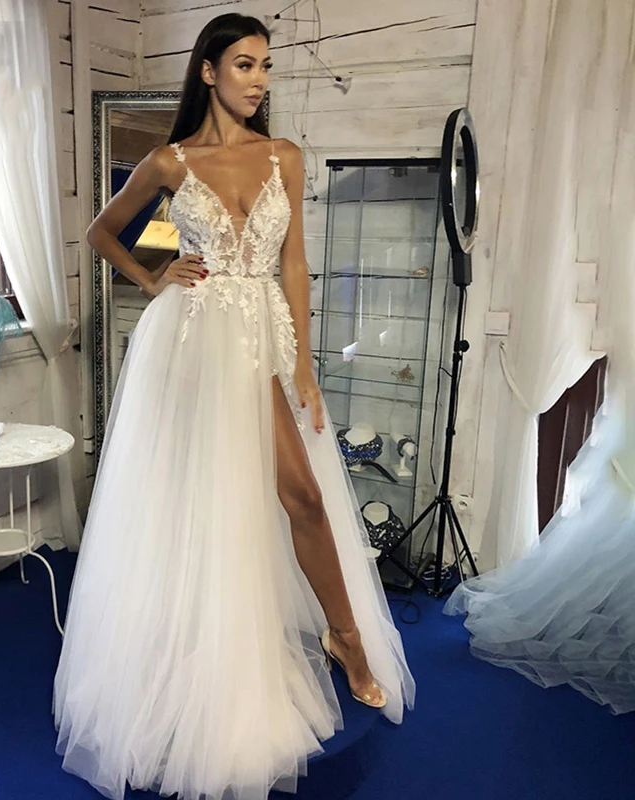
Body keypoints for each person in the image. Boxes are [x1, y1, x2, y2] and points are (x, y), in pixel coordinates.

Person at [53, 12, 415, 800]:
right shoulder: (169, 161)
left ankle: (346, 638)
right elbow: (105, 231)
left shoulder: (283, 154)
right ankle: (202, 637)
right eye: (245, 64)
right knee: (202, 498)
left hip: (266, 339)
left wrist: (305, 366)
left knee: (304, 496)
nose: (259, 80)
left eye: (266, 66)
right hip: (196, 340)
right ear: (209, 71)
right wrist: (156, 274)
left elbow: (295, 267)